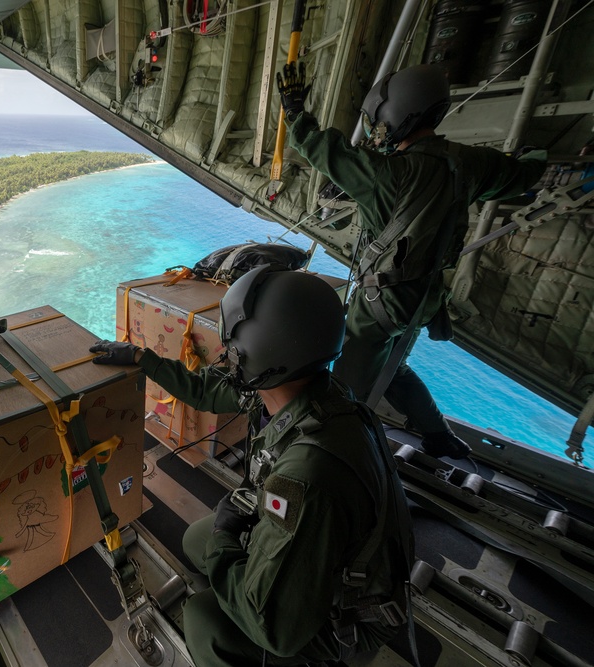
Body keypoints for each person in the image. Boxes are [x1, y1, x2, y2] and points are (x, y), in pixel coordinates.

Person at [91, 269, 414, 666]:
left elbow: (273, 629)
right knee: (198, 541)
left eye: (233, 348)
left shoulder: (305, 478)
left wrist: (228, 536)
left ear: (261, 353)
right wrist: (143, 359)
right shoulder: (302, 387)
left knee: (204, 622)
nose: (227, 357)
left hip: (346, 614)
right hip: (327, 548)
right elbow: (206, 390)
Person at [276, 62, 548, 459]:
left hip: (381, 302)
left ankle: (332, 456)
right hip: (424, 301)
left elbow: (321, 148)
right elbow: (521, 175)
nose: (375, 131)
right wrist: (536, 156)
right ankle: (438, 434)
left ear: (395, 118)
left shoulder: (386, 174)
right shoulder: (469, 163)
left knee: (342, 389)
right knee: (394, 366)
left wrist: (294, 111)